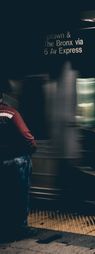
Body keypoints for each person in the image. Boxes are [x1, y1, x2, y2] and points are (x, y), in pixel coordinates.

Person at [0, 81, 37, 242]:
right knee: (19, 194)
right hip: (15, 160)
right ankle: (20, 228)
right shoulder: (10, 113)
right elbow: (26, 137)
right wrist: (32, 147)